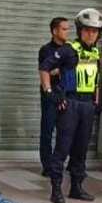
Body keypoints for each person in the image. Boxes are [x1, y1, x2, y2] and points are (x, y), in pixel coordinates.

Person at [40, 8, 102, 203]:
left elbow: (95, 79)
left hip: (87, 106)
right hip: (70, 104)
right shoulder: (69, 49)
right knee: (62, 148)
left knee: (81, 149)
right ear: (79, 31)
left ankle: (76, 187)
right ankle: (56, 189)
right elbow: (44, 68)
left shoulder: (95, 53)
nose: (90, 34)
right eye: (86, 30)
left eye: (94, 31)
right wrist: (50, 93)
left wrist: (96, 102)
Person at [38, 17, 70, 178]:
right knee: (47, 130)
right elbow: (46, 71)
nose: (67, 32)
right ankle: (47, 165)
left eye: (68, 29)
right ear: (55, 31)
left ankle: (60, 162)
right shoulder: (46, 50)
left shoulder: (69, 49)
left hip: (66, 93)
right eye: (64, 29)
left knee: (65, 131)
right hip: (50, 95)